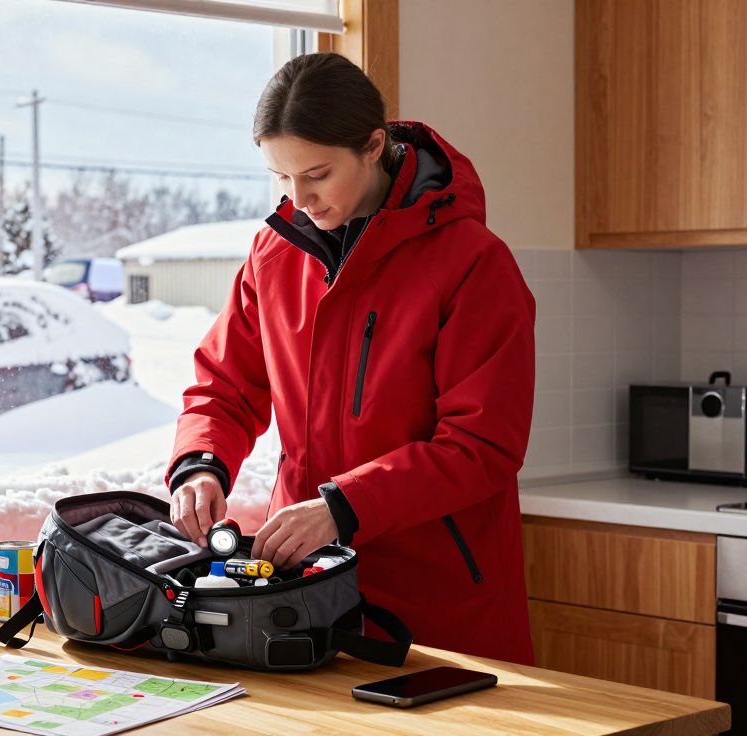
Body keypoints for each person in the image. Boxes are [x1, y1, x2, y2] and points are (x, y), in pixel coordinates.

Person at [165, 52, 536, 665]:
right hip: (301, 588)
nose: (299, 198)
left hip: (437, 601)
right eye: (280, 178)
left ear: (372, 145)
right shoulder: (272, 254)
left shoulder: (474, 263)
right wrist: (199, 465)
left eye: (316, 173)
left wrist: (344, 506)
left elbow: (482, 445)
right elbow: (224, 386)